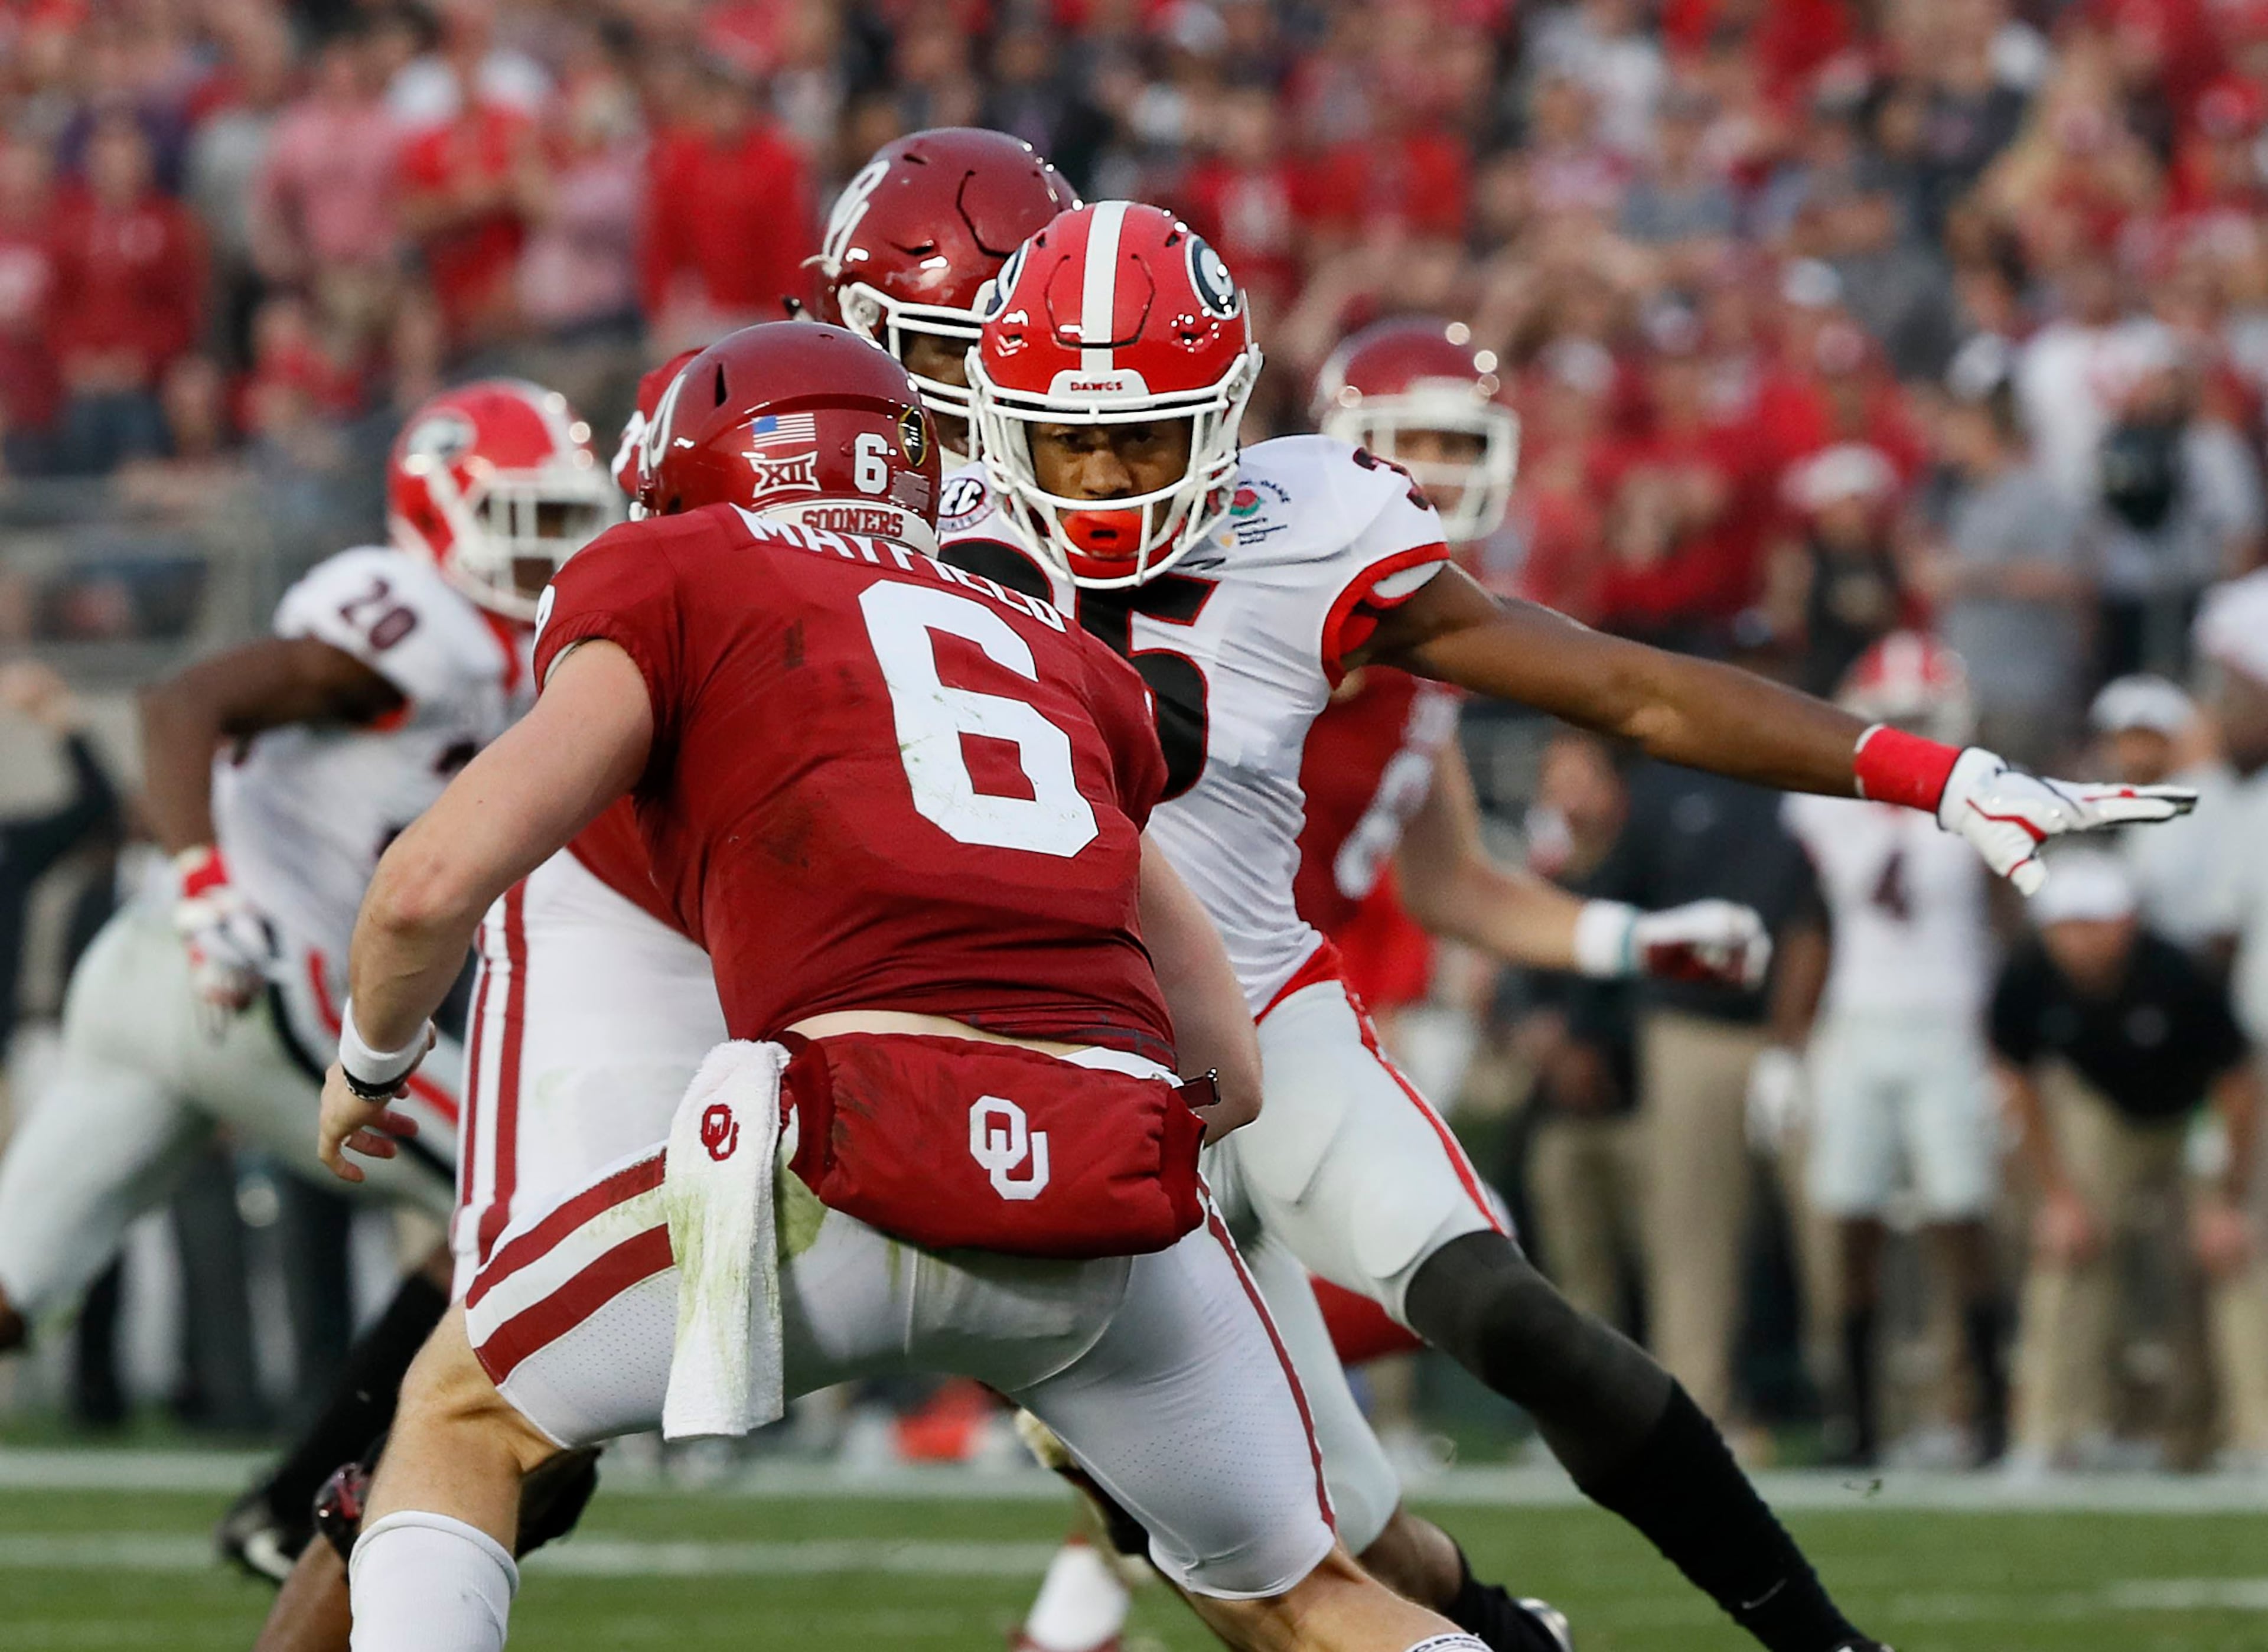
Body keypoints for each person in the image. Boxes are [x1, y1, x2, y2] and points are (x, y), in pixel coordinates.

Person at [947, 199, 2188, 1652]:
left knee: (1506, 1311)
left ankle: (1827, 1643)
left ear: (1219, 421)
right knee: (1315, 1528)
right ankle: (1479, 1619)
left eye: (1142, 436)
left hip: (1261, 1014)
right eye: (1067, 437)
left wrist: (1933, 770)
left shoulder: (1309, 537)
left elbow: (1626, 688)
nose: (1099, 474)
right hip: (1049, 1058)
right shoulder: (914, 544)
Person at [317, 321, 1491, 1652]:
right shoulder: (1053, 641)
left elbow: (427, 887)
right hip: (1101, 1188)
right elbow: (1227, 1058)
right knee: (1307, 1596)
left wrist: (370, 1062)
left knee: (463, 1412)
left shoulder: (672, 563)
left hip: (833, 1154)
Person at [1012, 316, 1770, 1652]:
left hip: (1309, 1031)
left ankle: (1123, 1551)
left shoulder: (1427, 650)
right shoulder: (1238, 593)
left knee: (1442, 1318)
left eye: (1453, 444)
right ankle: (1108, 1551)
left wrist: (1621, 941)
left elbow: (1454, 885)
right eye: (1403, 441)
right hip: (1151, 1036)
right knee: (1252, 1399)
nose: (1429, 469)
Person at [0, 379, 616, 1578]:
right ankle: (299, 1507)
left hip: (153, 971)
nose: (549, 551)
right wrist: (207, 880)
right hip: (255, 974)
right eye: (522, 519)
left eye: (564, 518)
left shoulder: (501, 645)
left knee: (11, 1282)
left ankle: (294, 1505)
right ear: (441, 515)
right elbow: (186, 700)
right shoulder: (418, 627)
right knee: (524, 1205)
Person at [1774, 634, 2008, 1468]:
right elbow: (1810, 930)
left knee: (1961, 1215)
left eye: (1920, 716)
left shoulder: (1981, 800)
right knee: (1851, 1219)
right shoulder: (1825, 804)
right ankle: (1862, 1423)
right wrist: (1786, 1049)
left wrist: (2006, 1051)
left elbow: (2003, 919)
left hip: (1948, 1019)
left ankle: (1988, 1418)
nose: (1910, 729)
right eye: (1896, 716)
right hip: (1860, 1023)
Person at [1996, 850, 2268, 1470]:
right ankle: (2049, 1432)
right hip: (2103, 1111)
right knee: (2065, 1251)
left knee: (2234, 1254)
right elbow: (2019, 1078)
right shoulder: (2030, 974)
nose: (2079, 940)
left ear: (2126, 923)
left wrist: (2224, 1196)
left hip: (2199, 1115)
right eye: (2067, 924)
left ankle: (2257, 1435)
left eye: (2093, 922)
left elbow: (2236, 1086)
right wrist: (2059, 1195)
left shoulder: (2179, 974)